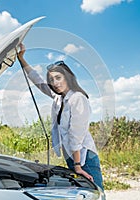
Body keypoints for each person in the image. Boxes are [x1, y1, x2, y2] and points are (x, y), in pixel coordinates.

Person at [17, 44, 104, 190]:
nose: (55, 83)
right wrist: (21, 59)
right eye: (52, 80)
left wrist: (77, 165)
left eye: (58, 78)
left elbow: (76, 134)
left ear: (68, 77)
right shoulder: (59, 98)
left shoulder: (78, 98)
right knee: (83, 193)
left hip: (83, 157)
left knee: (95, 192)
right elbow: (38, 81)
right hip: (72, 155)